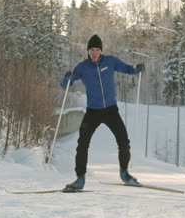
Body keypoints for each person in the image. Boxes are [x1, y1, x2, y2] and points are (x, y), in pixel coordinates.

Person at [60, 34, 145, 191]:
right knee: (82, 145)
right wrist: (67, 78)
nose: (94, 53)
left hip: (111, 110)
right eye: (91, 49)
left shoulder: (110, 61)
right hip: (93, 111)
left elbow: (126, 69)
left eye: (97, 49)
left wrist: (136, 69)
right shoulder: (82, 67)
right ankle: (80, 178)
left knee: (123, 141)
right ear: (87, 51)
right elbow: (66, 84)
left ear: (101, 51)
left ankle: (125, 173)